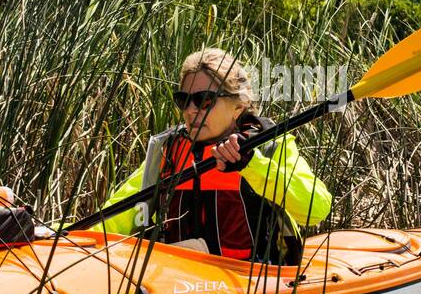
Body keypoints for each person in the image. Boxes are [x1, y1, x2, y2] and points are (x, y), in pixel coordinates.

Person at [99, 49, 332, 265]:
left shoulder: (268, 146)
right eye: (184, 100)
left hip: (251, 279)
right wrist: (68, 235)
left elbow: (316, 209)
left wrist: (251, 165)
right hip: (179, 275)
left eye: (204, 100)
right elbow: (120, 211)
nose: (191, 109)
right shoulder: (168, 149)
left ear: (238, 107)